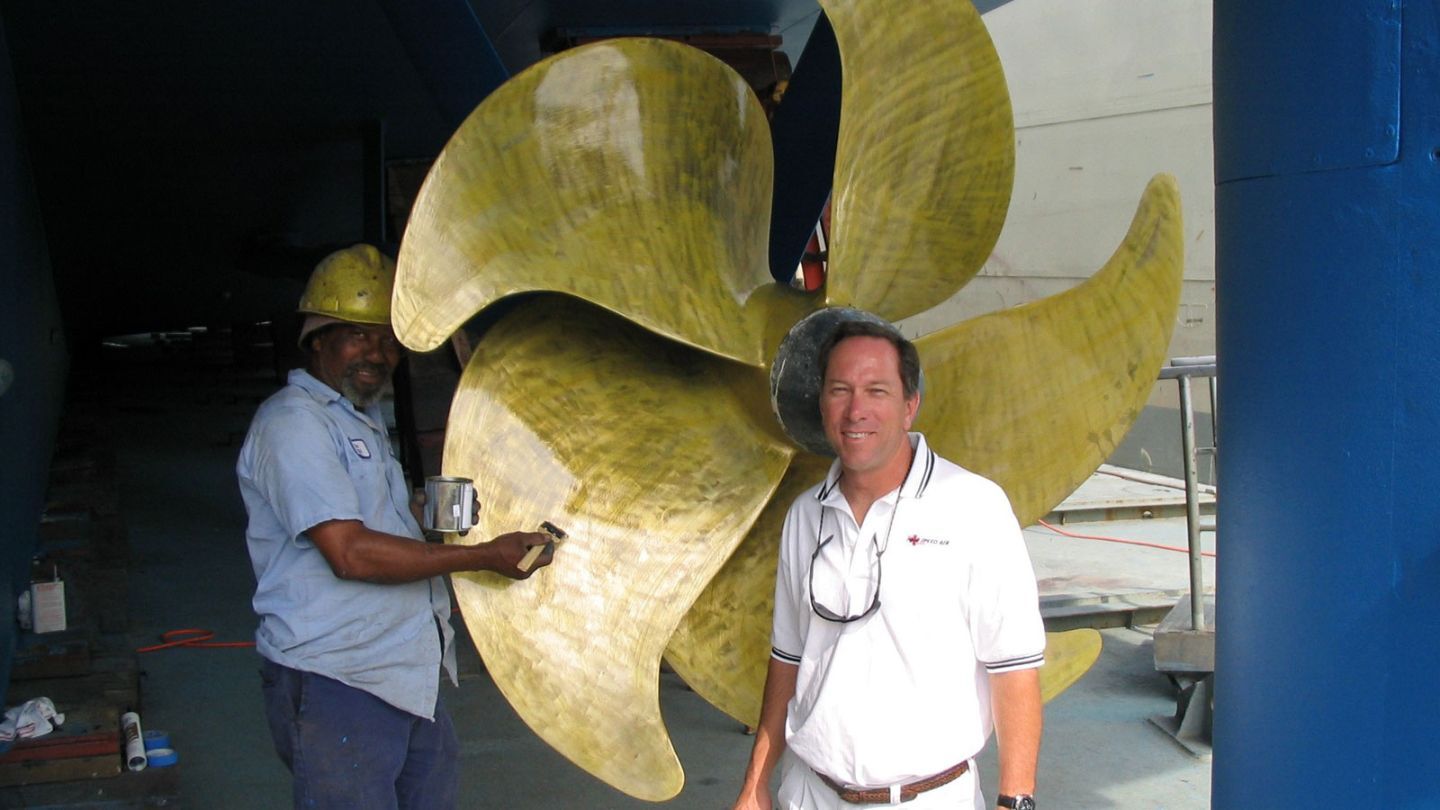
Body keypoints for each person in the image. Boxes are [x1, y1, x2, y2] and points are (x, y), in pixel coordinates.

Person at [236, 243, 555, 809]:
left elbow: (367, 518)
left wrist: (422, 515)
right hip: (338, 678)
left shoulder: (359, 418)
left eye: (387, 341)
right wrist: (483, 556)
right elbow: (350, 553)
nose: (376, 354)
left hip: (406, 673)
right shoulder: (294, 426)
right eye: (359, 335)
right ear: (317, 339)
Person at [734, 319, 1046, 810]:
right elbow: (788, 659)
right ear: (822, 404)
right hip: (811, 793)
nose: (856, 410)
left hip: (928, 798)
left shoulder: (974, 507)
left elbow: (1014, 668)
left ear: (910, 404)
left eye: (876, 390)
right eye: (841, 390)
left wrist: (1016, 801)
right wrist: (755, 784)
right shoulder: (805, 516)